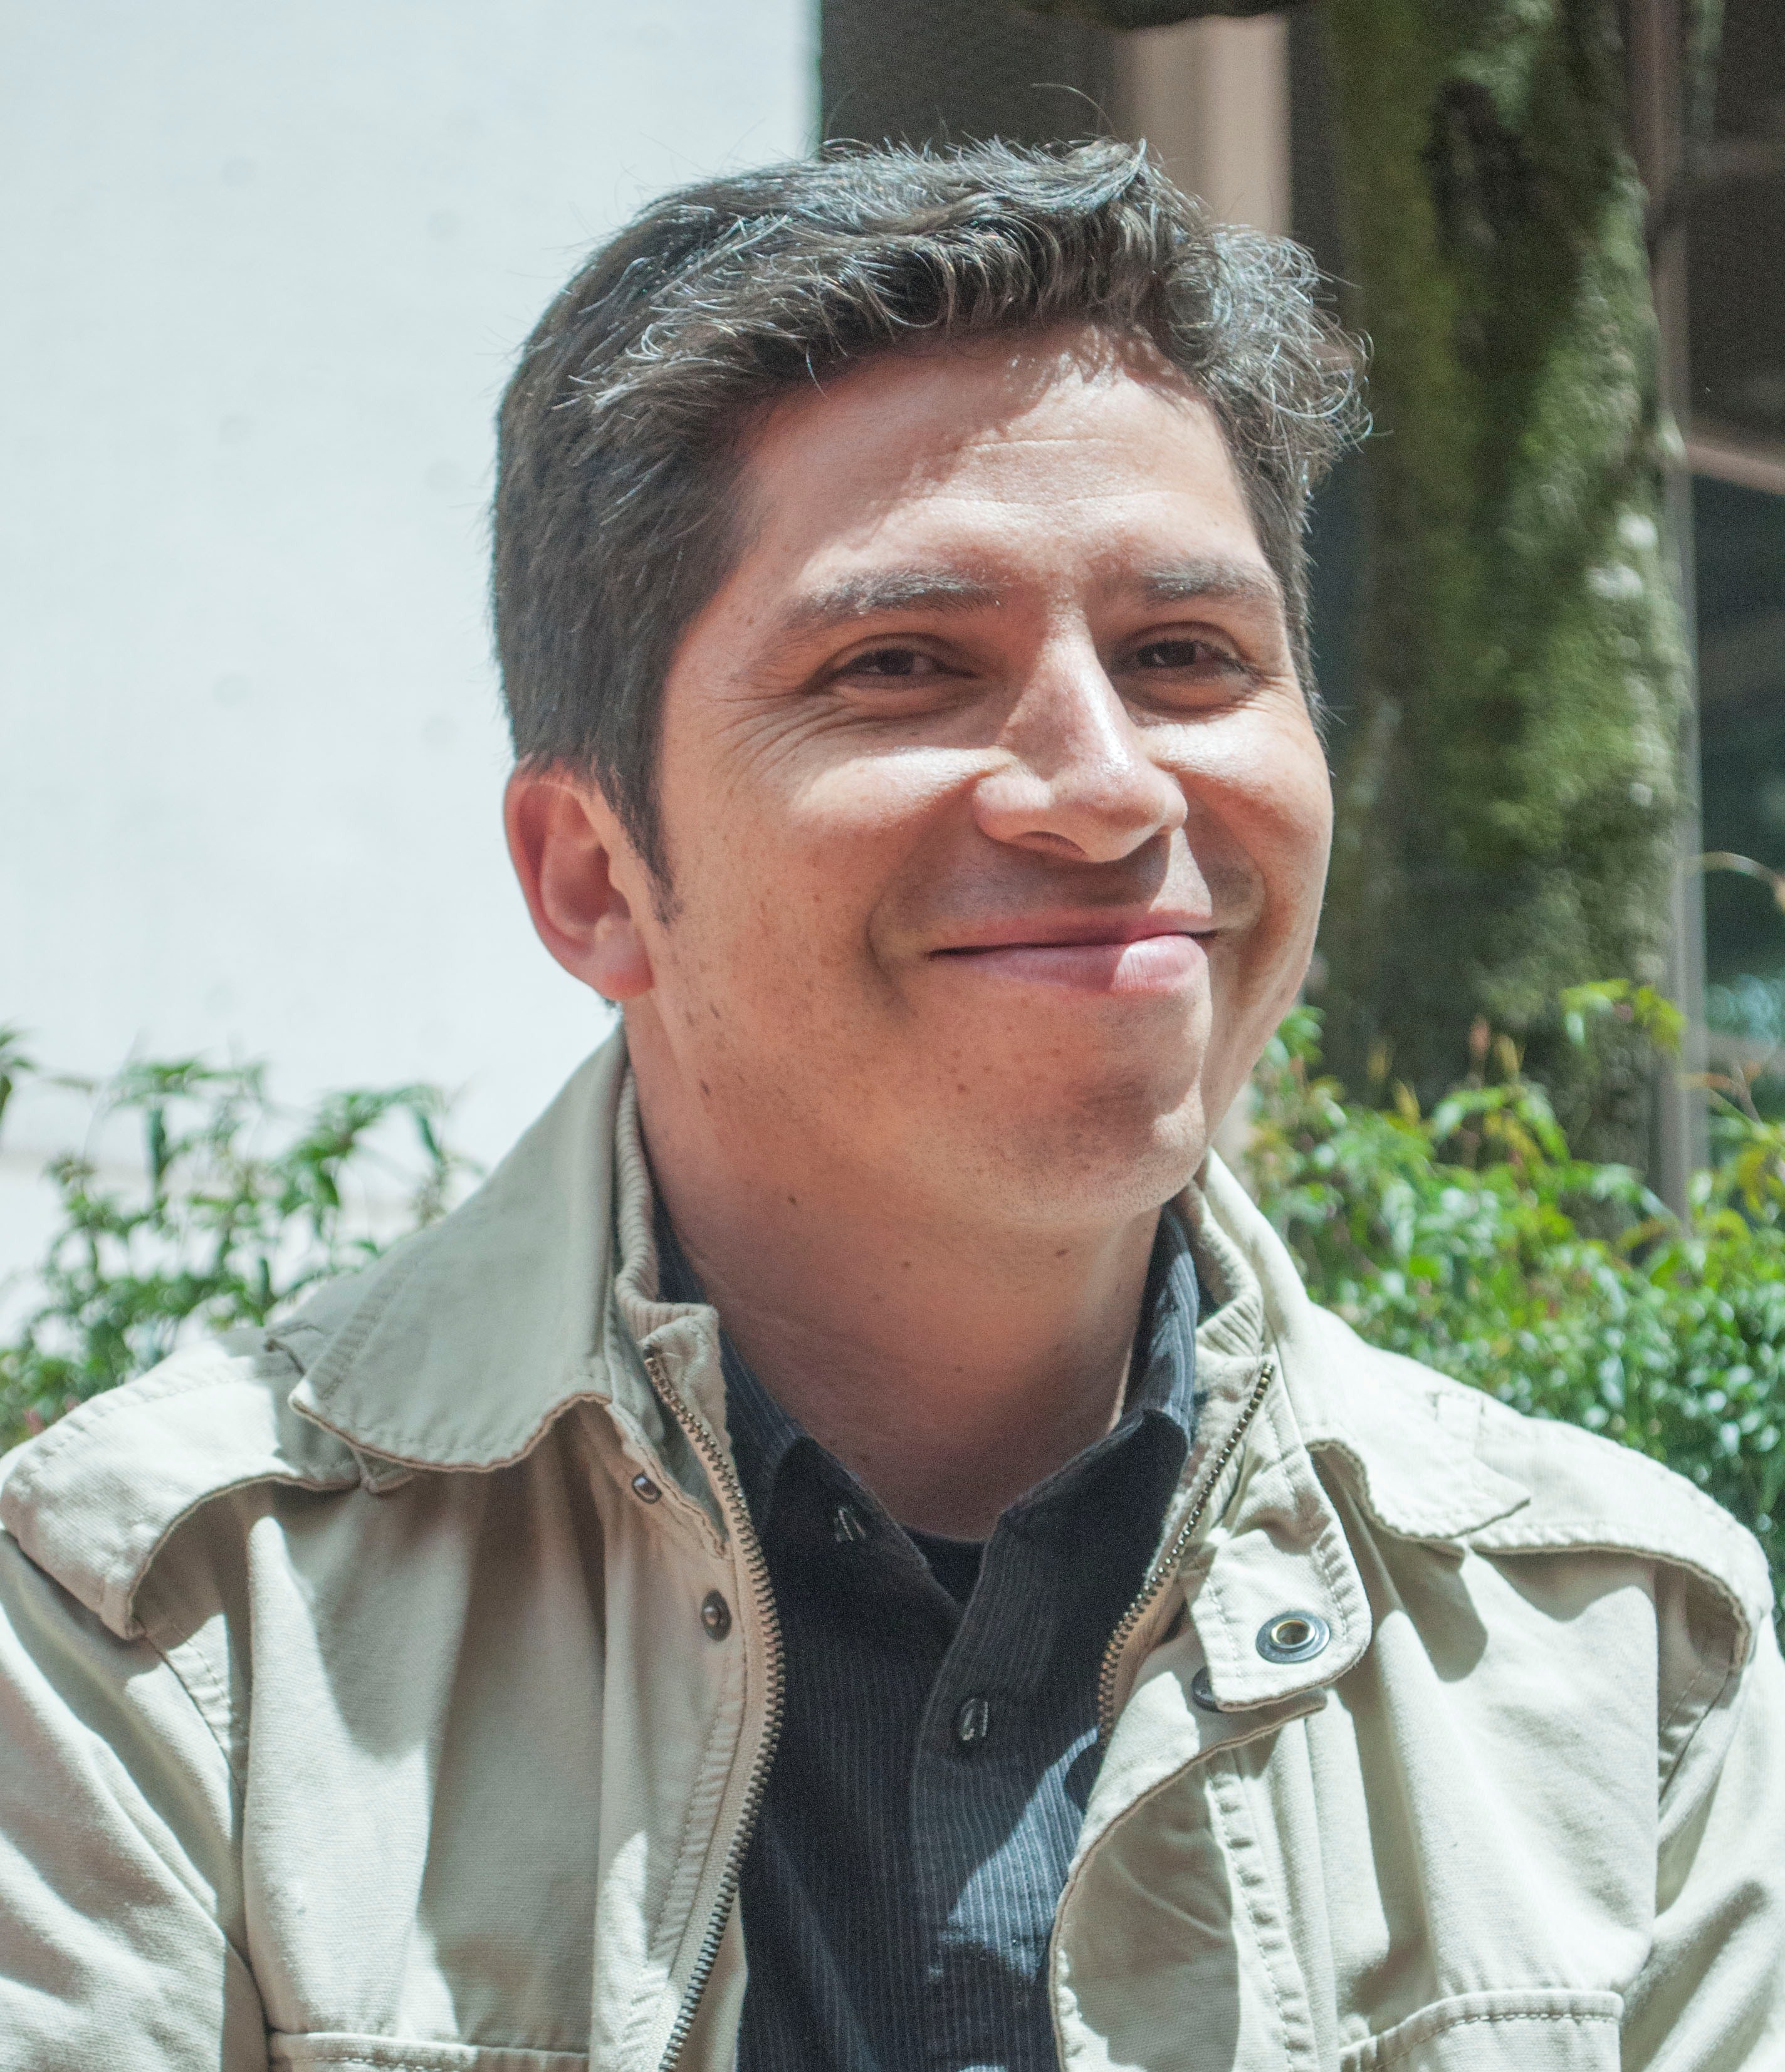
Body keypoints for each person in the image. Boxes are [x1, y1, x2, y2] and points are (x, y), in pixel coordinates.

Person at [1, 141, 1780, 2072]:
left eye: (1187, 655)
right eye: (904, 665)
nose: (1107, 786)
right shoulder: (160, 1638)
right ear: (595, 876)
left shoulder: (1621, 1662)